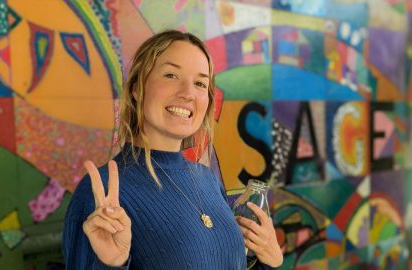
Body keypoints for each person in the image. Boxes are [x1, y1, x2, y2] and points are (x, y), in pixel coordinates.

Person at [62, 30, 283, 269]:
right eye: (171, 75)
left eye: (200, 83)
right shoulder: (101, 194)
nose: (188, 93)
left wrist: (267, 261)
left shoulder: (206, 178)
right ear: (137, 88)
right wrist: (112, 264)